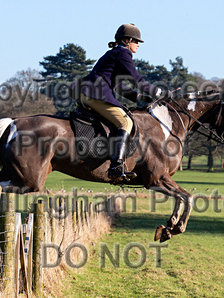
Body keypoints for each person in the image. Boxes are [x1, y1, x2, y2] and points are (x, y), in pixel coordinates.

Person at [70, 23, 171, 181]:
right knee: (126, 124)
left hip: (89, 93)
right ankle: (116, 166)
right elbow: (138, 80)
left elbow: (120, 87)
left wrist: (142, 98)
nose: (138, 45)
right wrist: (160, 92)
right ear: (127, 40)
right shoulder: (123, 54)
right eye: (136, 41)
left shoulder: (114, 53)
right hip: (95, 94)